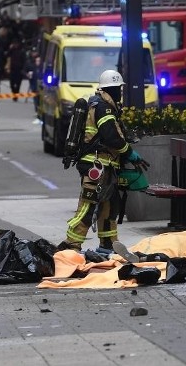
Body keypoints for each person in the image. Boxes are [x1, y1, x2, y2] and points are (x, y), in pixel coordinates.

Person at [60, 70, 147, 252]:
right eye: (118, 89)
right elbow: (111, 137)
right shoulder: (103, 107)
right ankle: (71, 245)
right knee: (88, 206)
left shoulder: (106, 105)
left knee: (110, 206)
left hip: (106, 166)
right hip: (96, 165)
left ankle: (108, 244)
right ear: (112, 89)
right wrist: (130, 153)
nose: (120, 93)